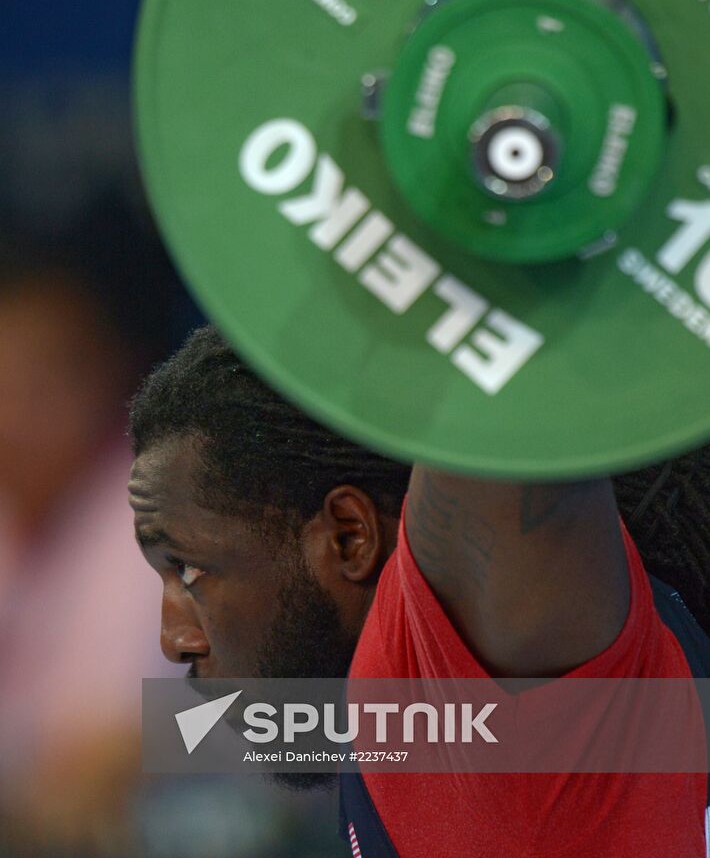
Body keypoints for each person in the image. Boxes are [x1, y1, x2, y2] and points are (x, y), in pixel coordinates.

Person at [129, 325, 709, 857]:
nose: (173, 640)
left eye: (189, 570)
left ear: (350, 537)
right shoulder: (401, 745)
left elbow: (499, 384)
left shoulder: (460, 720)